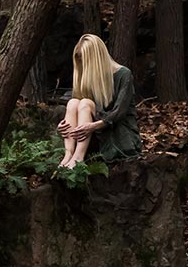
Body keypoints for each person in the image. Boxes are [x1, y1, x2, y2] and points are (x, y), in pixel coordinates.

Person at [57, 33, 140, 167]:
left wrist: (93, 126)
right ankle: (68, 154)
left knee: (85, 103)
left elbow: (119, 112)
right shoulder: (89, 76)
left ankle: (78, 158)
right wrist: (63, 127)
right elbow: (77, 110)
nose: (84, 67)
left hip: (116, 133)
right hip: (90, 134)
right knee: (73, 103)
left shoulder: (124, 75)